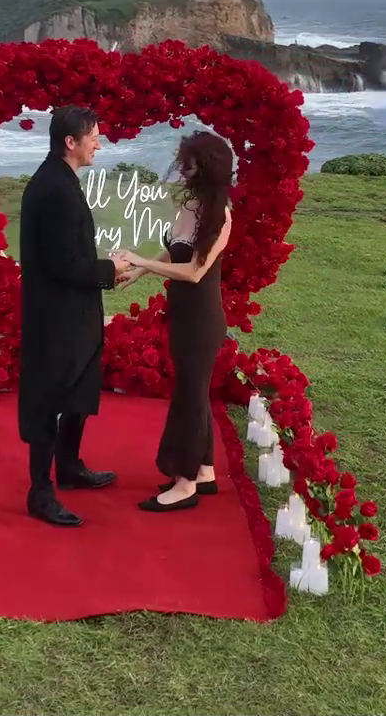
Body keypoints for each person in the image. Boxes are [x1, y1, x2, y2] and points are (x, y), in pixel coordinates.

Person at [18, 105, 132, 527]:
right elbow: (62, 263)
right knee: (50, 399)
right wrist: (109, 269)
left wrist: (105, 271)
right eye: (94, 138)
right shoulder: (54, 189)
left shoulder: (61, 179)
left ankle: (68, 466)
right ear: (71, 141)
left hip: (74, 311)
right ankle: (40, 492)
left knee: (80, 390)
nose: (99, 144)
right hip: (56, 317)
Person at [117, 131, 235, 512]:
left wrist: (140, 260)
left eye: (190, 162)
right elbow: (174, 251)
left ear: (207, 167)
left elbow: (195, 272)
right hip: (183, 315)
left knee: (189, 397)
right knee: (194, 393)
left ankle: (185, 484)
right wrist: (140, 271)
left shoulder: (220, 215)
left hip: (202, 319)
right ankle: (204, 471)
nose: (183, 168)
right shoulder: (191, 206)